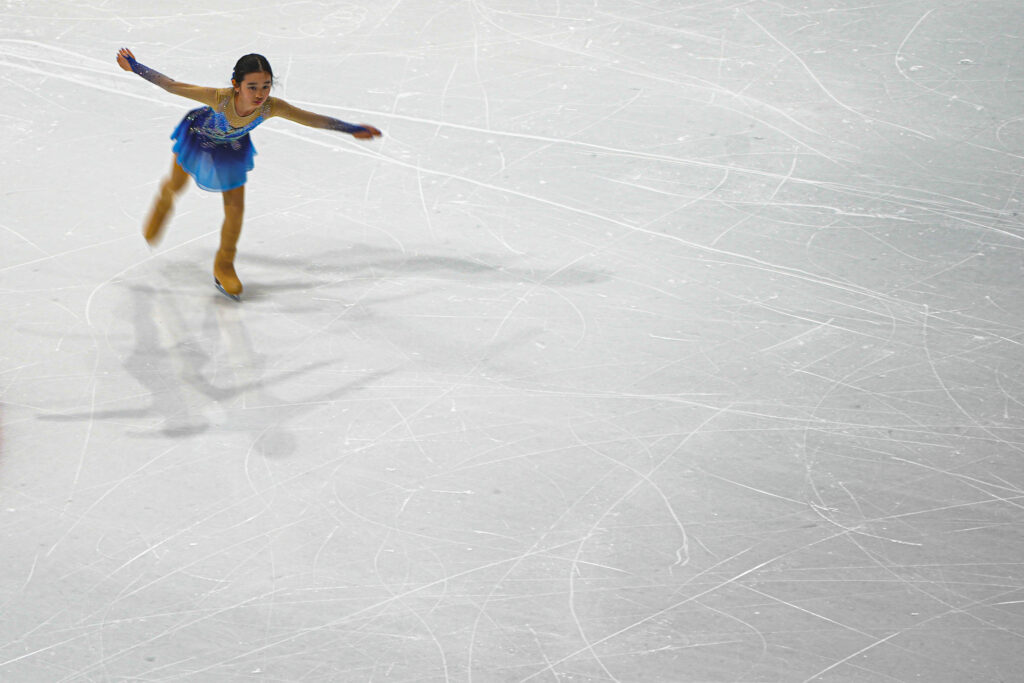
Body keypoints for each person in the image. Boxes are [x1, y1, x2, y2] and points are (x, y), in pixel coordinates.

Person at [115, 48, 382, 300]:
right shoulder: (219, 98)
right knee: (175, 185)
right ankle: (161, 209)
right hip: (198, 138)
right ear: (236, 84)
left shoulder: (271, 107)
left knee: (235, 209)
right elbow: (171, 85)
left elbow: (311, 120)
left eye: (266, 86)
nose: (260, 94)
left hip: (232, 147)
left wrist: (350, 128)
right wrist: (135, 67)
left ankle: (224, 265)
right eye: (252, 87)